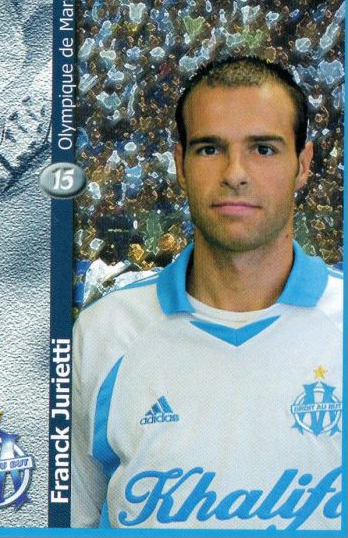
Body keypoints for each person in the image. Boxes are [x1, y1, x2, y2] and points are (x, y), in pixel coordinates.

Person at [71, 56, 343, 531]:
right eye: (210, 149)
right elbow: (68, 520)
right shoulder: (104, 334)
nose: (235, 173)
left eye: (263, 149)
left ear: (303, 164)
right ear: (180, 164)